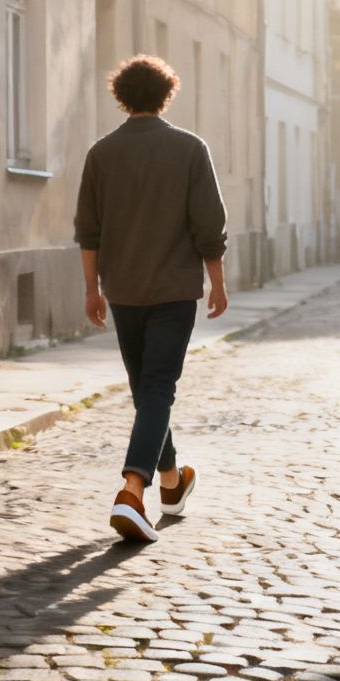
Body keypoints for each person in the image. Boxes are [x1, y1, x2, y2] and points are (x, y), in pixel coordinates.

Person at [74, 54, 227, 542]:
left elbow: (88, 230)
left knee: (147, 391)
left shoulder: (101, 153)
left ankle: (172, 481)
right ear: (167, 95)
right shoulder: (190, 148)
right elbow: (209, 224)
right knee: (157, 389)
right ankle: (132, 490)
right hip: (175, 291)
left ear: (121, 97)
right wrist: (217, 280)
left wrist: (92, 289)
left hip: (123, 291)